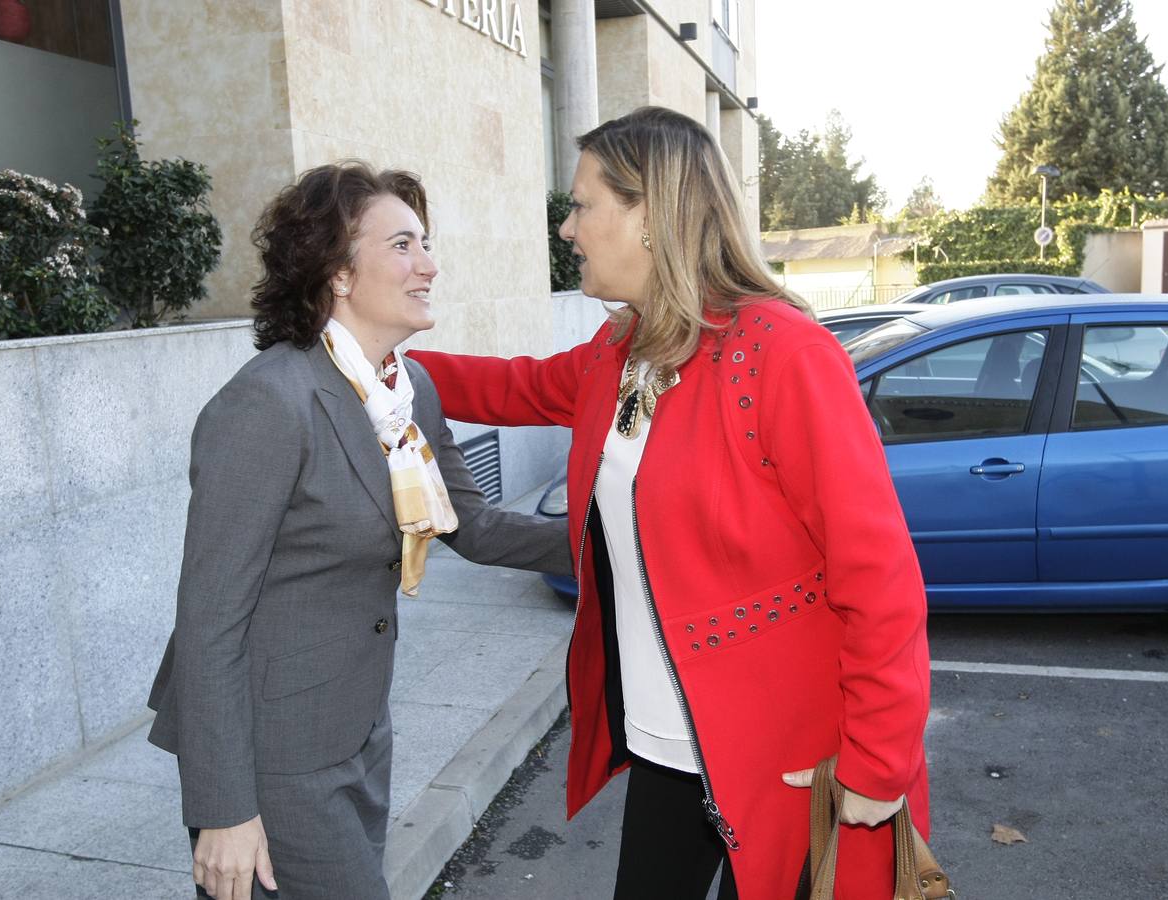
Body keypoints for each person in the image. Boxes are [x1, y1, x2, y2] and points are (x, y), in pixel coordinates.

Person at [409, 107, 931, 900]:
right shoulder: (619, 352)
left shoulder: (781, 354)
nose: (567, 226)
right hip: (668, 748)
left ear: (649, 214)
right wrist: (378, 355)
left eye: (582, 204)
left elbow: (880, 574)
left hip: (793, 759)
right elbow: (511, 385)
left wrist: (879, 761)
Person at [145, 161, 572, 900]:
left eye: (426, 244)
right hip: (272, 752)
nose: (429, 265)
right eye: (404, 245)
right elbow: (209, 620)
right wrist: (223, 809)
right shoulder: (269, 404)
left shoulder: (405, 389)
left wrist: (621, 539)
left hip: (357, 730)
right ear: (338, 273)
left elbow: (470, 525)